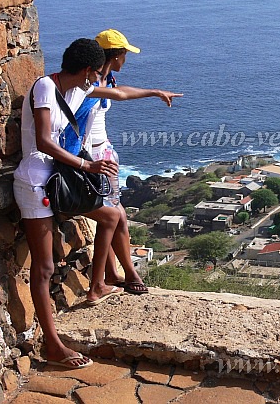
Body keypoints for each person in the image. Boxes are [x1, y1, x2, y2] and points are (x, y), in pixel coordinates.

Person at [12, 38, 179, 369]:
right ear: (87, 69)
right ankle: (52, 345)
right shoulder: (46, 87)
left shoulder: (79, 89)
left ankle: (100, 282)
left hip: (60, 181)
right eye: (95, 73)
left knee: (111, 216)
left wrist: (155, 92)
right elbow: (44, 140)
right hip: (35, 183)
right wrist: (87, 165)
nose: (98, 79)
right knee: (43, 267)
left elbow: (118, 93)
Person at [67, 29, 182, 292]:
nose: (126, 59)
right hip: (91, 157)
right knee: (114, 214)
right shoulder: (87, 85)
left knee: (115, 215)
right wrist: (154, 92)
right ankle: (124, 274)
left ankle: (115, 273)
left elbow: (118, 92)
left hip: (103, 152)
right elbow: (118, 96)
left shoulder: (107, 79)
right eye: (125, 54)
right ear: (117, 55)